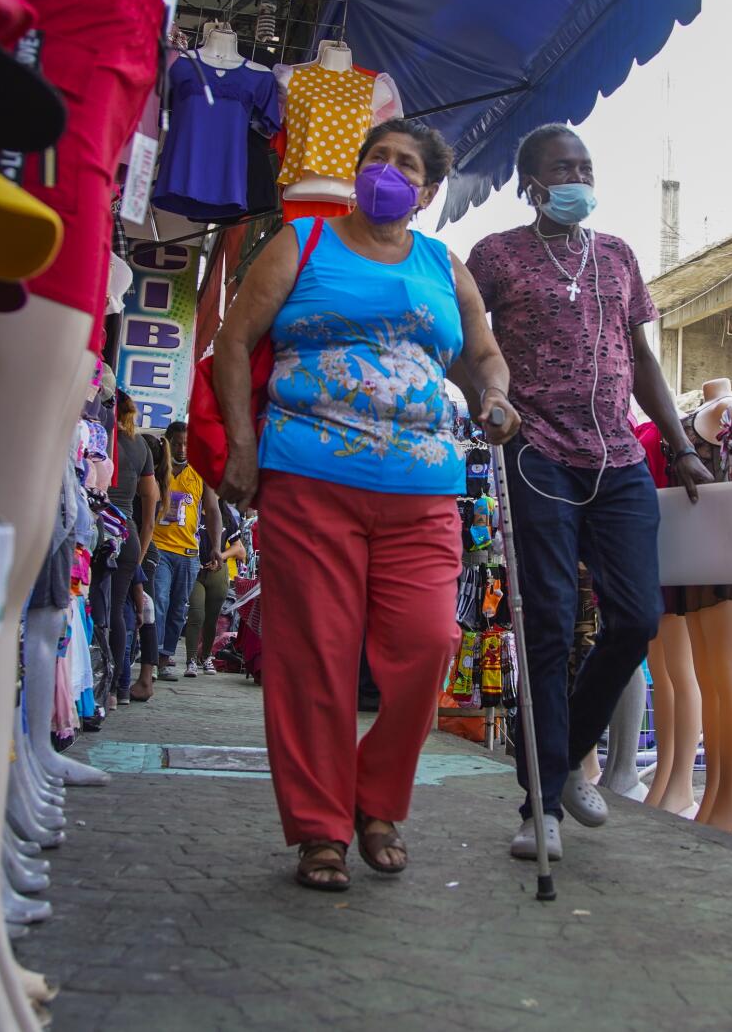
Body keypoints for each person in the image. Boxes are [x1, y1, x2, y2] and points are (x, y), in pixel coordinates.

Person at [214, 117, 518, 891]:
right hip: (307, 480)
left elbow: (481, 352)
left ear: (428, 190)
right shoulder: (303, 243)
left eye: (405, 164)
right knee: (315, 656)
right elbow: (234, 339)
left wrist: (494, 394)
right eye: (375, 158)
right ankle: (321, 828)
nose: (386, 171)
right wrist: (243, 447)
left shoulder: (444, 265)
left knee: (426, 645)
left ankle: (376, 799)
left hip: (424, 490)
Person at [463, 123, 711, 862]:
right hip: (537, 453)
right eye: (562, 168)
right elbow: (466, 349)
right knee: (547, 624)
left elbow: (642, 361)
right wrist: (490, 403)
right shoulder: (496, 256)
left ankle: (567, 758)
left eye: (586, 166)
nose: (578, 178)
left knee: (637, 619)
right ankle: (540, 807)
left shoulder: (618, 256)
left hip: (618, 457)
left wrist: (682, 445)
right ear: (531, 185)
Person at [100, 393, 161, 705]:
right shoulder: (140, 446)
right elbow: (152, 497)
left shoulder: (101, 435)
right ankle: (119, 688)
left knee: (104, 611)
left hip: (102, 531)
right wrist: (140, 551)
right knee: (119, 611)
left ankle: (106, 689)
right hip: (129, 534)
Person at [145, 419, 215, 684]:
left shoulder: (199, 472)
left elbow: (213, 510)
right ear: (167, 442)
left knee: (177, 609)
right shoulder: (156, 468)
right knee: (159, 603)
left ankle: (165, 659)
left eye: (187, 444)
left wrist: (217, 547)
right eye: (177, 443)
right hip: (160, 547)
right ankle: (150, 661)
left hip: (188, 553)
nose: (182, 448)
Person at [184, 500, 245, 674]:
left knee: (212, 618)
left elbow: (238, 548)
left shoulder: (226, 516)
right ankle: (191, 659)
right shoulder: (192, 509)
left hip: (218, 572)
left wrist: (221, 556)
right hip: (196, 568)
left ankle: (206, 656)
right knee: (196, 613)